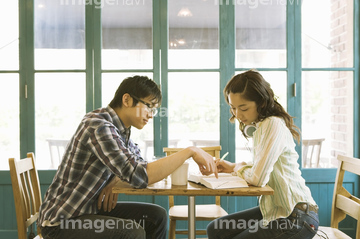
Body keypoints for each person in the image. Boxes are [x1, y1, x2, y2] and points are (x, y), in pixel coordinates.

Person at [38, 75, 218, 239]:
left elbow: (137, 161)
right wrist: (190, 151)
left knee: (156, 216)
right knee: (132, 232)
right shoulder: (99, 126)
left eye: (154, 110)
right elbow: (140, 175)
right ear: (126, 99)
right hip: (62, 222)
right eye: (148, 106)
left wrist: (114, 179)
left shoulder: (119, 129)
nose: (150, 115)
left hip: (89, 209)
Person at [207, 69, 319, 239]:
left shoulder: (272, 124)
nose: (237, 115)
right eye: (233, 108)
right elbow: (264, 168)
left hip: (296, 217)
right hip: (278, 209)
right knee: (216, 229)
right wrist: (233, 167)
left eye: (243, 108)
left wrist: (238, 167)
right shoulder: (261, 126)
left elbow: (258, 179)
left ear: (261, 103)